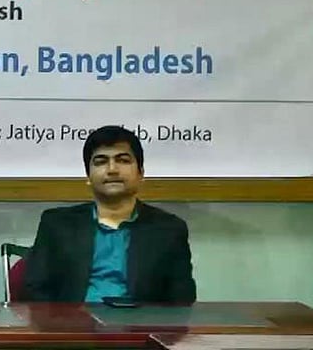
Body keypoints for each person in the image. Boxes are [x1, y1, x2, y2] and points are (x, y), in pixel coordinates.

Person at [21, 125, 196, 304]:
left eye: (123, 160)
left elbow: (181, 299)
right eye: (101, 161)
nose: (112, 169)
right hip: (74, 328)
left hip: (140, 329)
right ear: (88, 176)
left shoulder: (169, 229)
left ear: (141, 173)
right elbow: (35, 289)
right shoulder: (57, 224)